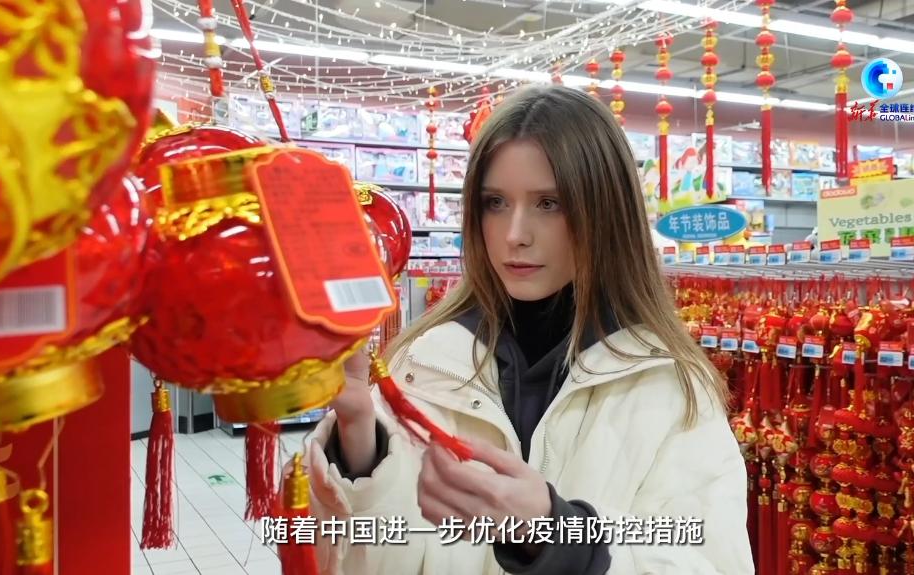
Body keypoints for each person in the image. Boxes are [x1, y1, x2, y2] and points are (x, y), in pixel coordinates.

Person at [303, 85, 754, 575]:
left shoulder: (669, 388)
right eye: (495, 202)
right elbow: (377, 557)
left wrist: (562, 540)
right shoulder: (421, 365)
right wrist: (360, 448)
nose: (515, 234)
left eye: (549, 203)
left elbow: (711, 560)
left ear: (606, 213)